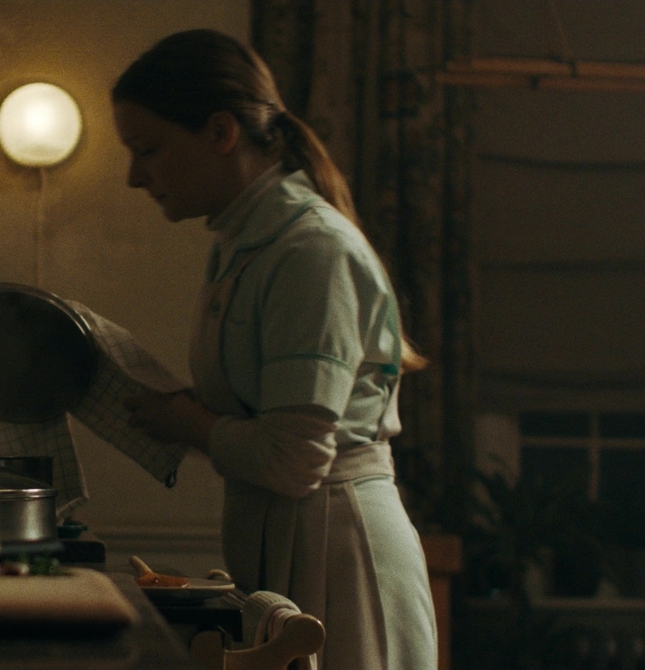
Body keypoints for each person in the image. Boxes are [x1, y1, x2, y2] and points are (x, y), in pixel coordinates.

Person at [115, 29, 437, 669]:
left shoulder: (308, 251)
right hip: (289, 540)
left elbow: (294, 458)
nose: (133, 176)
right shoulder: (241, 246)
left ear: (220, 133)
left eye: (148, 149)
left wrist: (193, 424)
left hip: (338, 552)